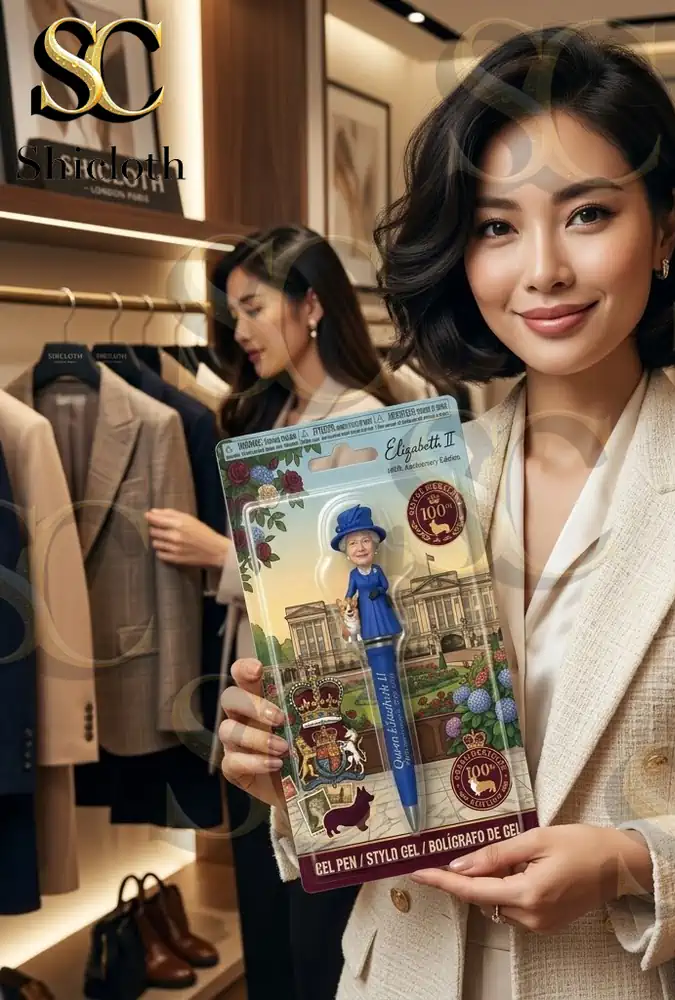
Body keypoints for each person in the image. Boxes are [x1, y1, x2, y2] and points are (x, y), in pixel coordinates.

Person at [216, 28, 675, 1000]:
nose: (542, 270)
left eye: (588, 214)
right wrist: (292, 776)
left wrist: (631, 859)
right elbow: (378, 791)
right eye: (494, 226)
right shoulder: (396, 491)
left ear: (662, 232)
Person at [145, 224, 395, 1000]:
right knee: (271, 936)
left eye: (254, 308)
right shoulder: (275, 413)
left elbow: (353, 580)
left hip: (323, 717)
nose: (240, 331)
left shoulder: (360, 418)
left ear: (312, 304)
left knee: (318, 941)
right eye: (235, 314)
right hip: (256, 715)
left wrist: (217, 554)